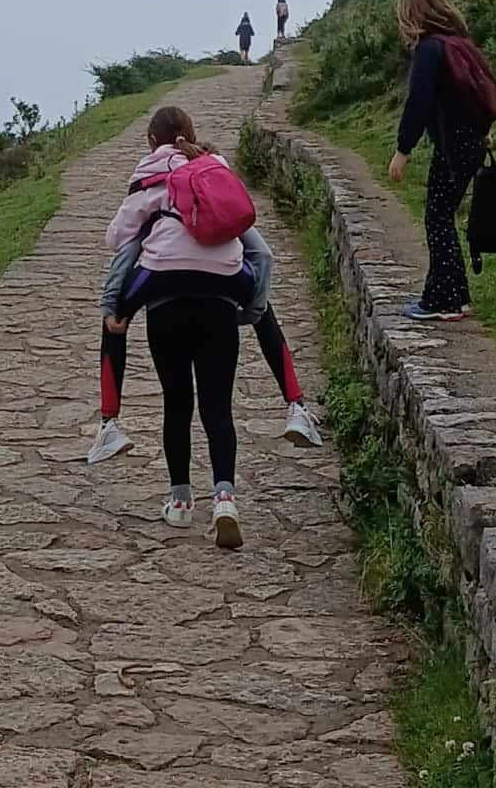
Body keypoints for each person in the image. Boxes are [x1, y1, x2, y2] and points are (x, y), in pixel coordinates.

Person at [97, 106, 248, 546]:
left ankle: (180, 503)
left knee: (177, 402)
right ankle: (225, 499)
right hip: (220, 295)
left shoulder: (149, 176)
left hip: (166, 300)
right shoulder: (214, 166)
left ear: (151, 140)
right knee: (218, 406)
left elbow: (116, 238)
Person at [89, 215, 322, 463]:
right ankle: (296, 407)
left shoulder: (152, 195)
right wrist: (253, 311)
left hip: (161, 274)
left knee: (114, 315)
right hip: (222, 274)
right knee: (261, 301)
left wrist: (110, 303)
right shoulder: (222, 195)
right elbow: (263, 254)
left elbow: (125, 248)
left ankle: (109, 422)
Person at [387, 0, 495, 322]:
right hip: (471, 142)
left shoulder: (429, 49)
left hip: (454, 145)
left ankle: (446, 300)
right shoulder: (458, 43)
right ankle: (450, 296)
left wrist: (403, 150)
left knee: (438, 217)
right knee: (441, 215)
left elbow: (417, 105)